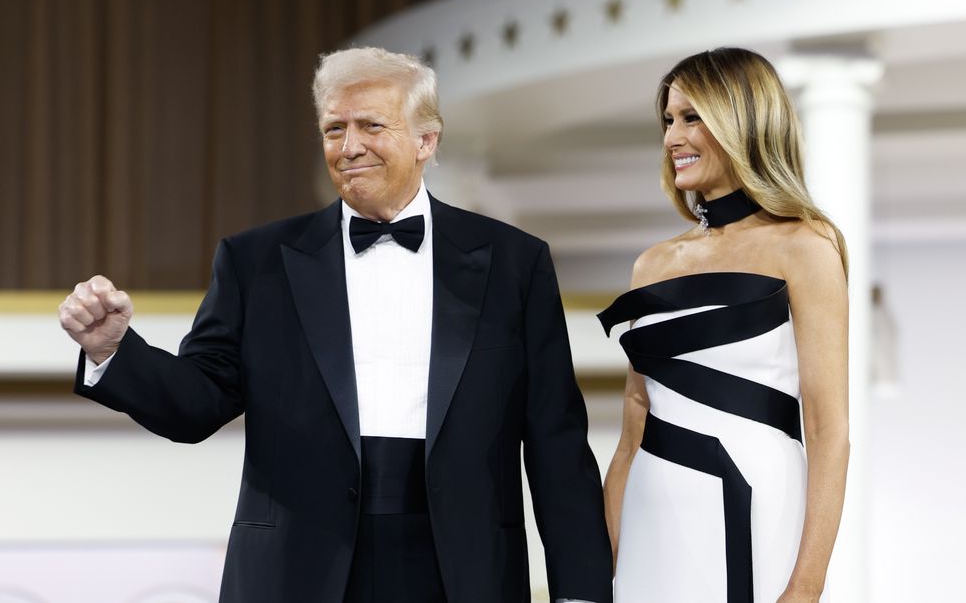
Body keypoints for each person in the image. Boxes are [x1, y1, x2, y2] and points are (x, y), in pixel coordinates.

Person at [58, 47, 612, 603]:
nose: (349, 147)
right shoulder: (256, 262)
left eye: (371, 126)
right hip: (297, 567)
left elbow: (556, 443)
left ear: (426, 141)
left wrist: (582, 591)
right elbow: (197, 405)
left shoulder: (514, 263)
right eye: (334, 129)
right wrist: (114, 350)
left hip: (463, 569)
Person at [598, 47, 849, 603]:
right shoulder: (652, 264)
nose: (672, 138)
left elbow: (828, 430)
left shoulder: (806, 246)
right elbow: (630, 438)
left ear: (744, 122)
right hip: (650, 516)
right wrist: (601, 572)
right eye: (668, 120)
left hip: (756, 504)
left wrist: (806, 587)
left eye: (692, 118)